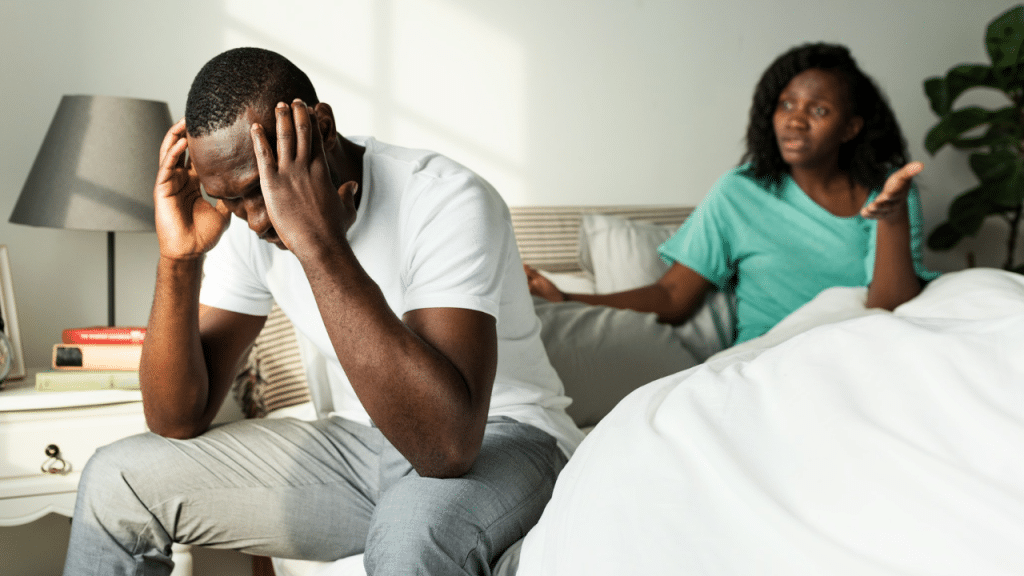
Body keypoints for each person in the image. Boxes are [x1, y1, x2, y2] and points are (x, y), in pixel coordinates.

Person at [62, 47, 583, 576]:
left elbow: (447, 447)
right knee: (115, 481)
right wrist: (179, 260)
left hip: (505, 436)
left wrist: (319, 244)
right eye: (230, 200)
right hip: (357, 447)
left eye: (261, 187)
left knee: (410, 530)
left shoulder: (445, 199)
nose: (255, 220)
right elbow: (176, 419)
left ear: (323, 128)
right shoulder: (244, 224)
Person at [526, 42, 938, 346]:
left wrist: (893, 218)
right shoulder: (740, 192)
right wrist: (566, 297)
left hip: (864, 349)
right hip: (775, 357)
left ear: (851, 128)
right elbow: (673, 296)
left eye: (818, 110)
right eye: (786, 105)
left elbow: (889, 306)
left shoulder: (889, 191)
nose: (795, 121)